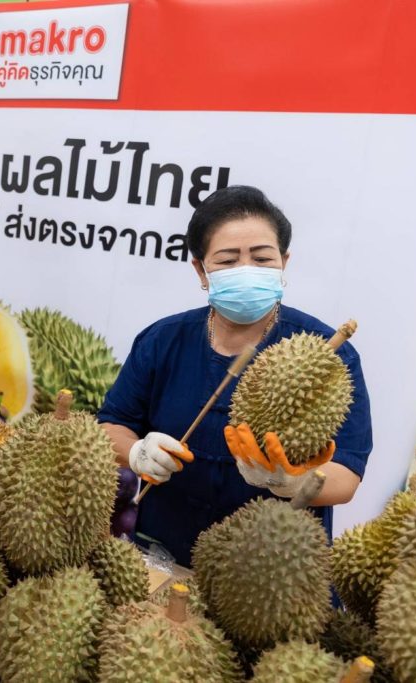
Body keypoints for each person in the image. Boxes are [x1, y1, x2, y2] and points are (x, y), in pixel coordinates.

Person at [98, 185, 372, 567]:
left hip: (270, 567)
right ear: (201, 270)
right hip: (158, 551)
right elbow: (111, 425)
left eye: (262, 258)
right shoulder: (162, 340)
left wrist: (292, 481)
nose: (247, 271)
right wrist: (137, 453)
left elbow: (346, 473)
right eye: (228, 260)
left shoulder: (332, 355)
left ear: (284, 263)